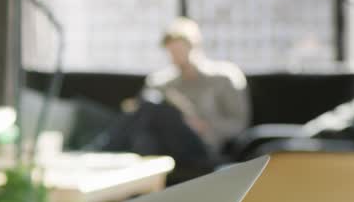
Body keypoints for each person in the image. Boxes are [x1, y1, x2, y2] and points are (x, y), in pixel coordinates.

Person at [90, 18, 250, 177]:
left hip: (203, 145)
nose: (175, 57)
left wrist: (204, 125)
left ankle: (100, 151)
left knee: (152, 105)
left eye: (179, 51)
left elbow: (238, 124)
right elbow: (138, 115)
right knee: (146, 123)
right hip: (164, 144)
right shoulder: (160, 81)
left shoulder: (224, 77)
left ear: (194, 47)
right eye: (171, 52)